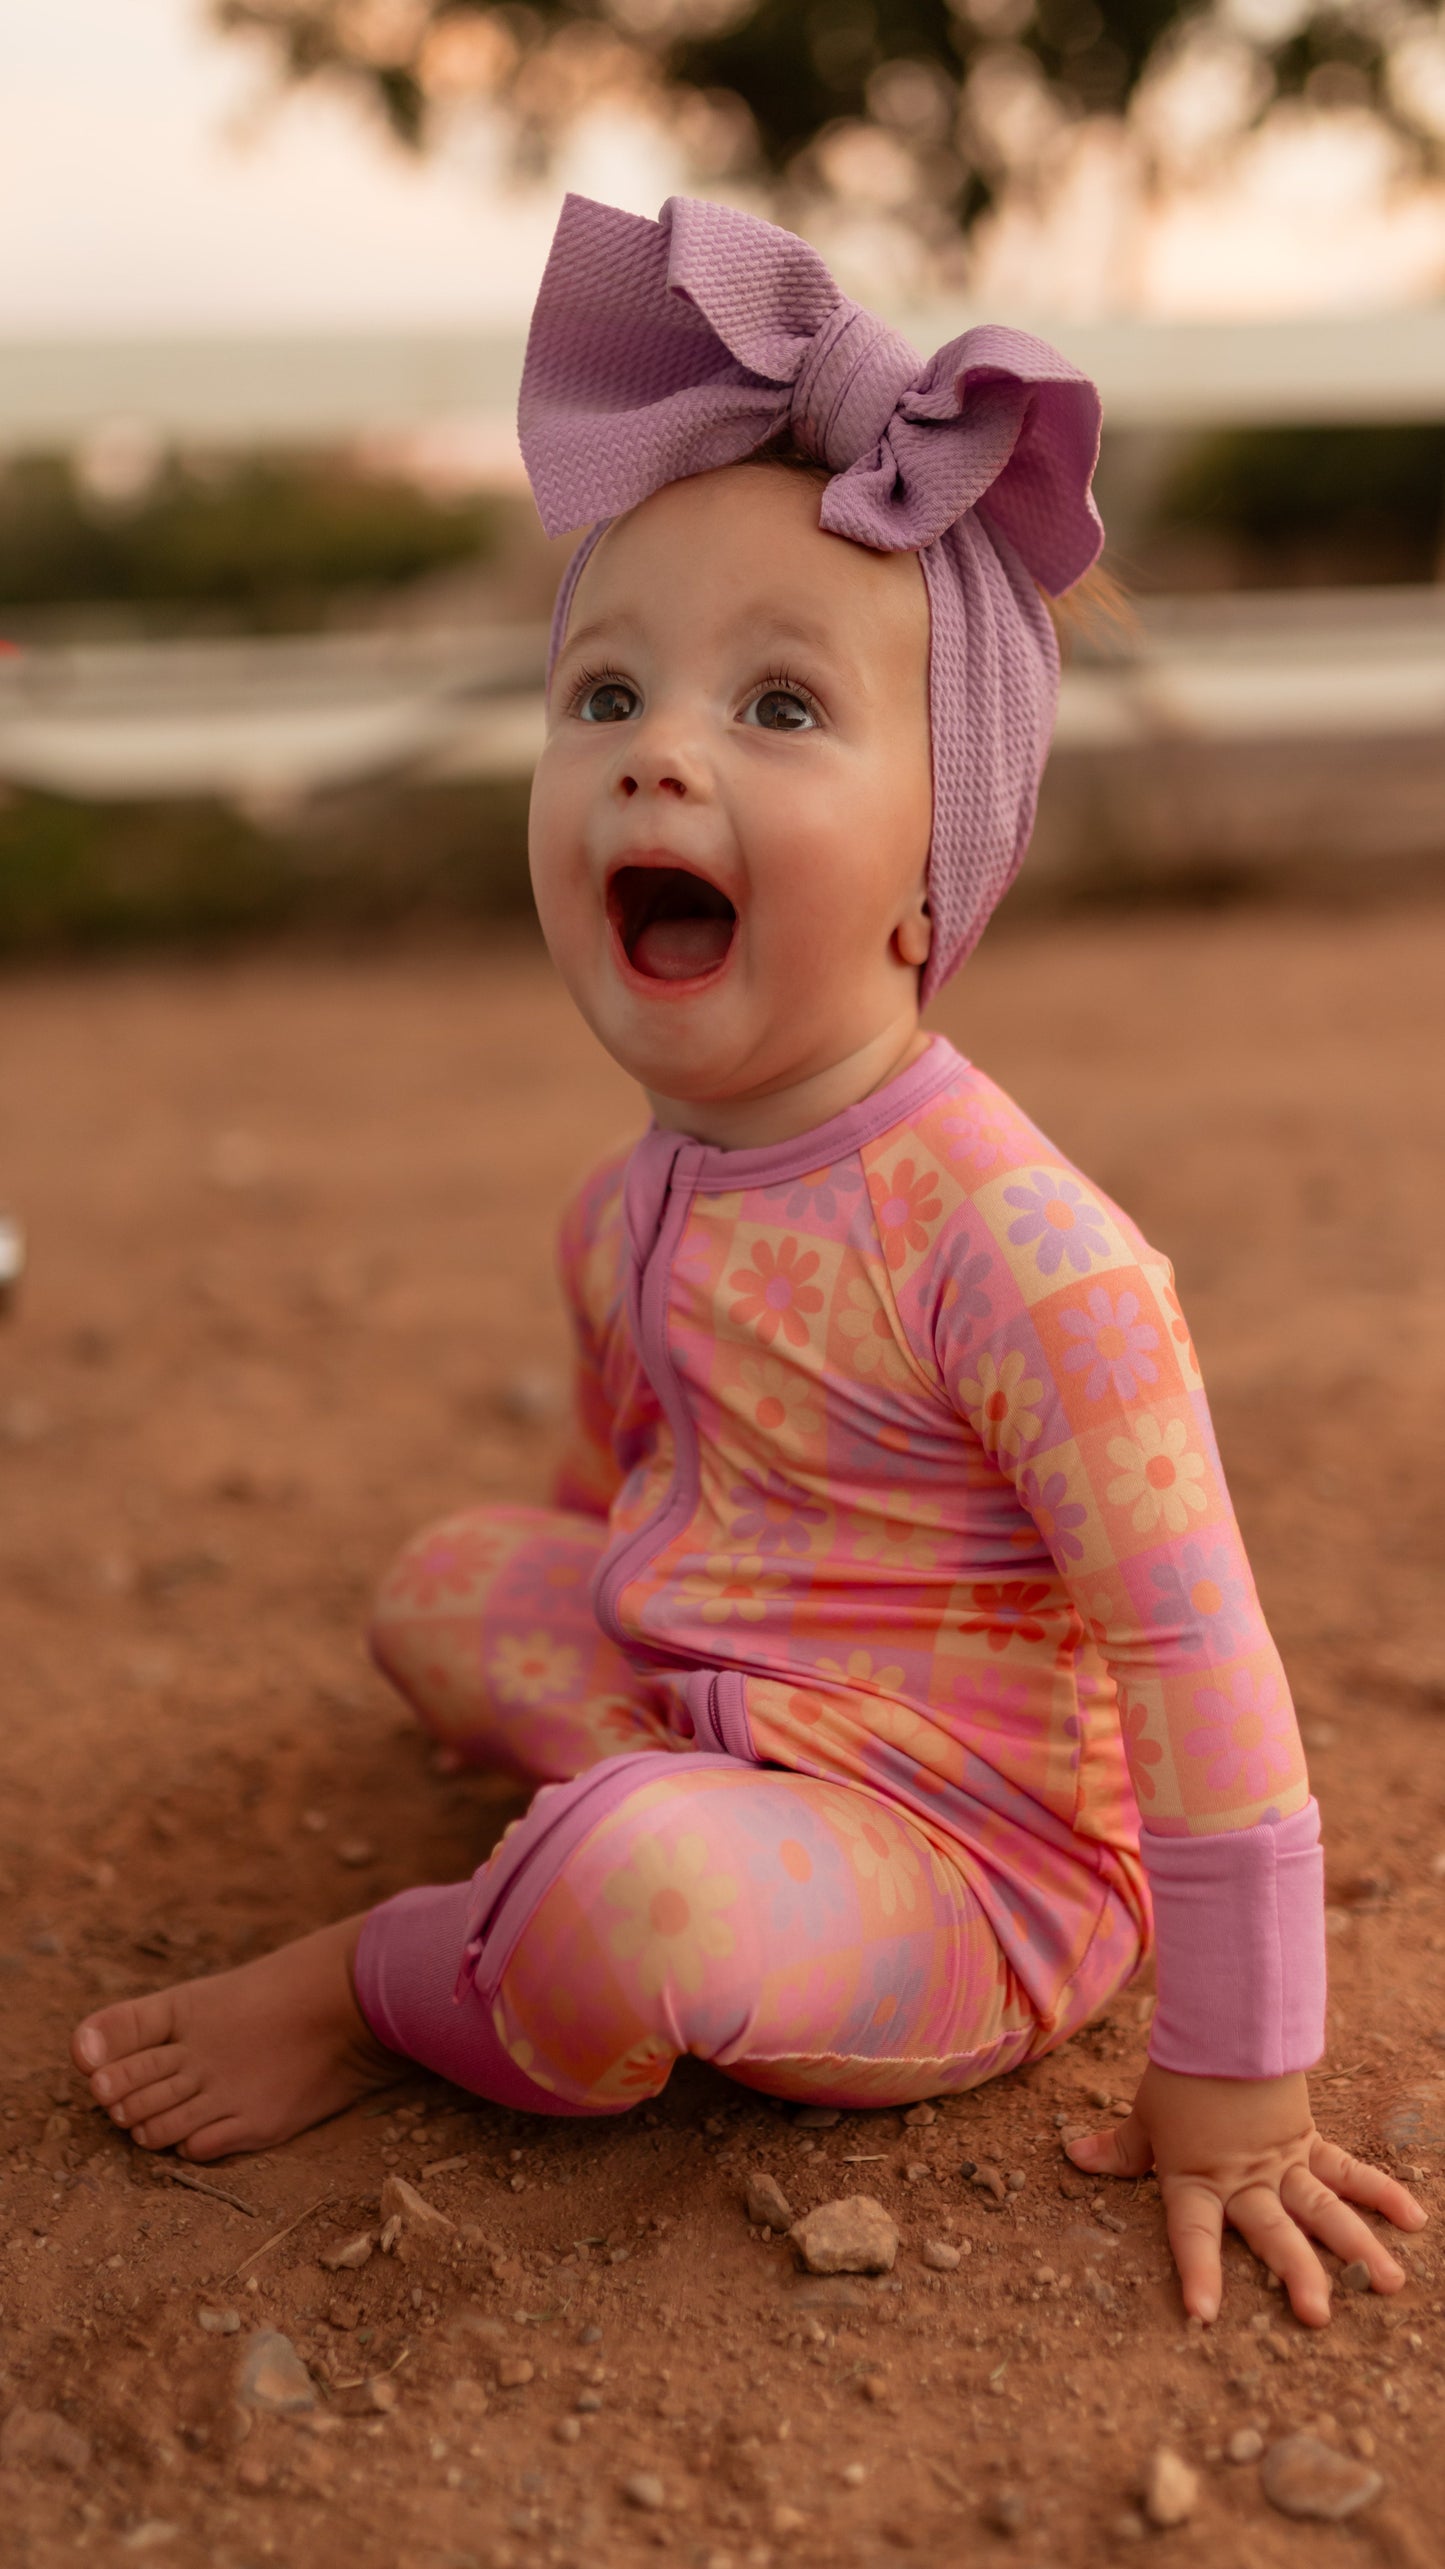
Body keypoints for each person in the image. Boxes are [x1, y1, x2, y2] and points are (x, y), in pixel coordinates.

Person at [71, 192, 1423, 2327]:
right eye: (605, 690)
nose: (660, 746)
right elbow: (614, 1490)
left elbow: (1198, 1663)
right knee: (439, 1583)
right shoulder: (627, 1206)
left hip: (962, 1856)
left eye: (778, 707)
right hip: (710, 1691)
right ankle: (636, 1822)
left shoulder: (1023, 1250)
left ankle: (391, 1978)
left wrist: (1240, 2081)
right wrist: (588, 1635)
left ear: (931, 879)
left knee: (630, 1895)